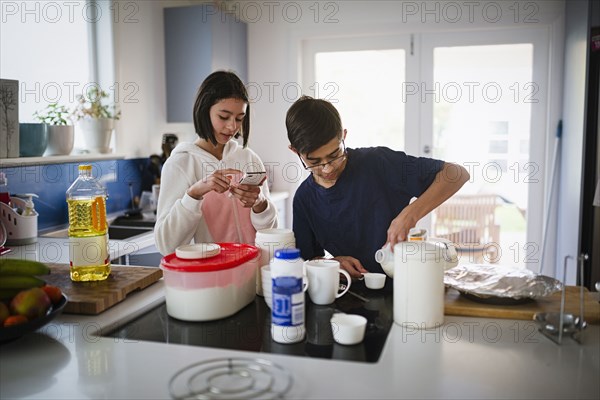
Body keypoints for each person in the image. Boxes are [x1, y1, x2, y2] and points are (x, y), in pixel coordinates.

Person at [286, 96, 470, 278]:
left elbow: (457, 173)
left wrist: (410, 215)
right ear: (295, 151)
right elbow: (308, 261)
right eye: (314, 161)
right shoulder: (304, 199)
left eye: (335, 154)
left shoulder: (378, 163)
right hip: (352, 294)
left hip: (405, 283)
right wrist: (333, 264)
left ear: (343, 136)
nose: (327, 168)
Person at [155, 71, 278, 255]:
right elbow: (166, 246)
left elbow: (270, 233)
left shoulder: (249, 158)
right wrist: (194, 194)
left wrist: (260, 204)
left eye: (239, 118)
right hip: (213, 278)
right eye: (223, 117)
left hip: (254, 274)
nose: (232, 126)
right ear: (205, 110)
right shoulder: (180, 164)